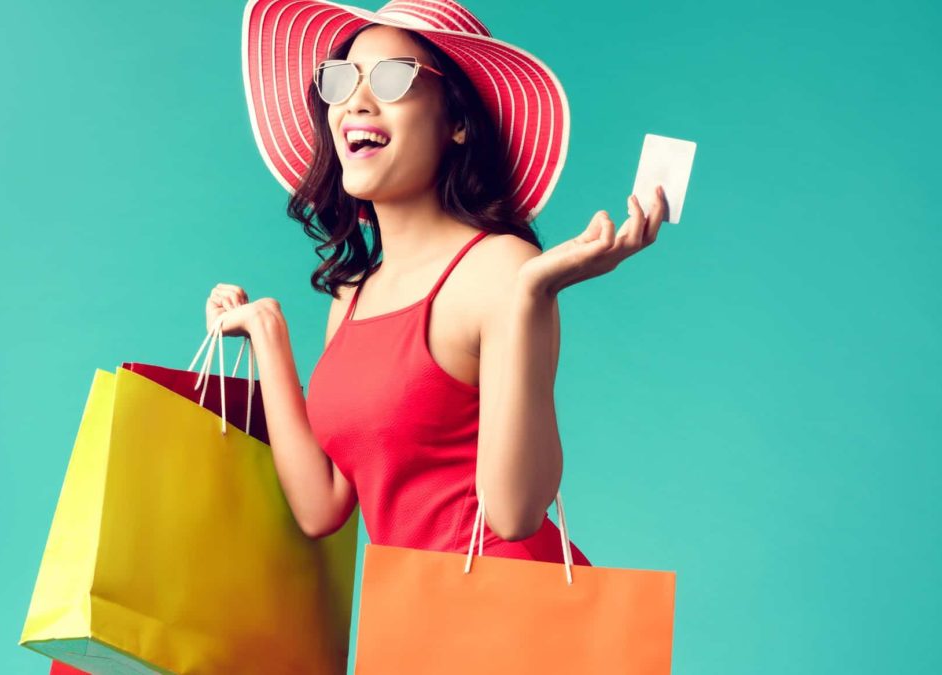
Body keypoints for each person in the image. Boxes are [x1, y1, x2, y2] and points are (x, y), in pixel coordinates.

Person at [205, 0, 667, 563]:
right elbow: (321, 506)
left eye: (393, 78)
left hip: (512, 616)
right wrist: (265, 331)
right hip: (417, 622)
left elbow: (515, 515)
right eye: (342, 78)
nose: (357, 100)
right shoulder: (352, 297)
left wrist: (530, 294)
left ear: (458, 124)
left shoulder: (502, 268)